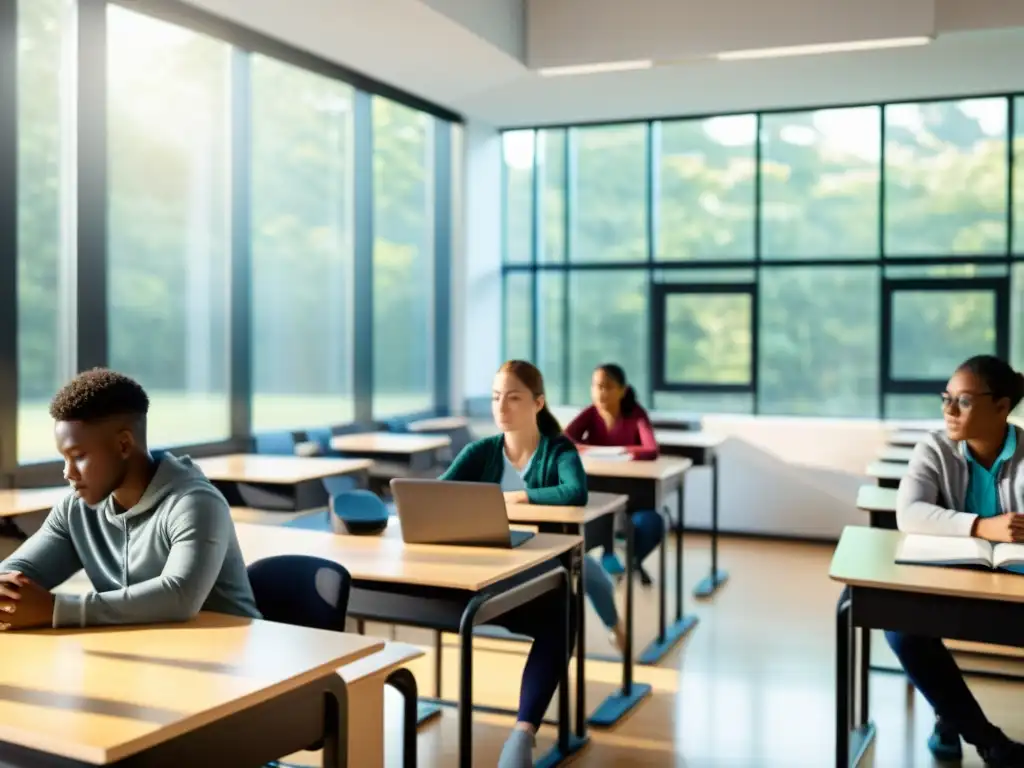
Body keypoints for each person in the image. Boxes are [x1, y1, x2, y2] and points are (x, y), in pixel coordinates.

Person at [0, 368, 259, 630]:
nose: (68, 472)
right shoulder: (75, 510)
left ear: (124, 445)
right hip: (146, 655)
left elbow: (179, 596)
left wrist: (56, 609)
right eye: (64, 458)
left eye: (78, 456)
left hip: (231, 660)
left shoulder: (195, 503)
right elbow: (13, 574)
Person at [440, 360, 602, 768]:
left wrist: (523, 498)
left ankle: (523, 733)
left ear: (538, 402)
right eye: (496, 397)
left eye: (513, 397)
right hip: (477, 576)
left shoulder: (558, 450)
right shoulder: (480, 452)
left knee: (564, 614)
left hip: (534, 579)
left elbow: (575, 492)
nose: (502, 407)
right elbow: (436, 495)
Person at [892, 354, 1024, 766]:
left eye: (963, 401)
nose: (949, 410)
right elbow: (909, 513)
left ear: (1001, 406)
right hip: (949, 577)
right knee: (902, 629)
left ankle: (950, 717)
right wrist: (983, 527)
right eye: (945, 399)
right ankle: (985, 738)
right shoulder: (934, 447)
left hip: (1014, 584)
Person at [564, 364, 666, 585]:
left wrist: (623, 451)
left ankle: (632, 560)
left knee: (652, 523)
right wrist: (586, 449)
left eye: (608, 387)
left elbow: (651, 449)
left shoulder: (635, 414)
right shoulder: (590, 413)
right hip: (598, 497)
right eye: (596, 386)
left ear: (622, 390)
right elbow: (564, 440)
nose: (601, 392)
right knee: (589, 521)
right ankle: (608, 557)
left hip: (633, 498)